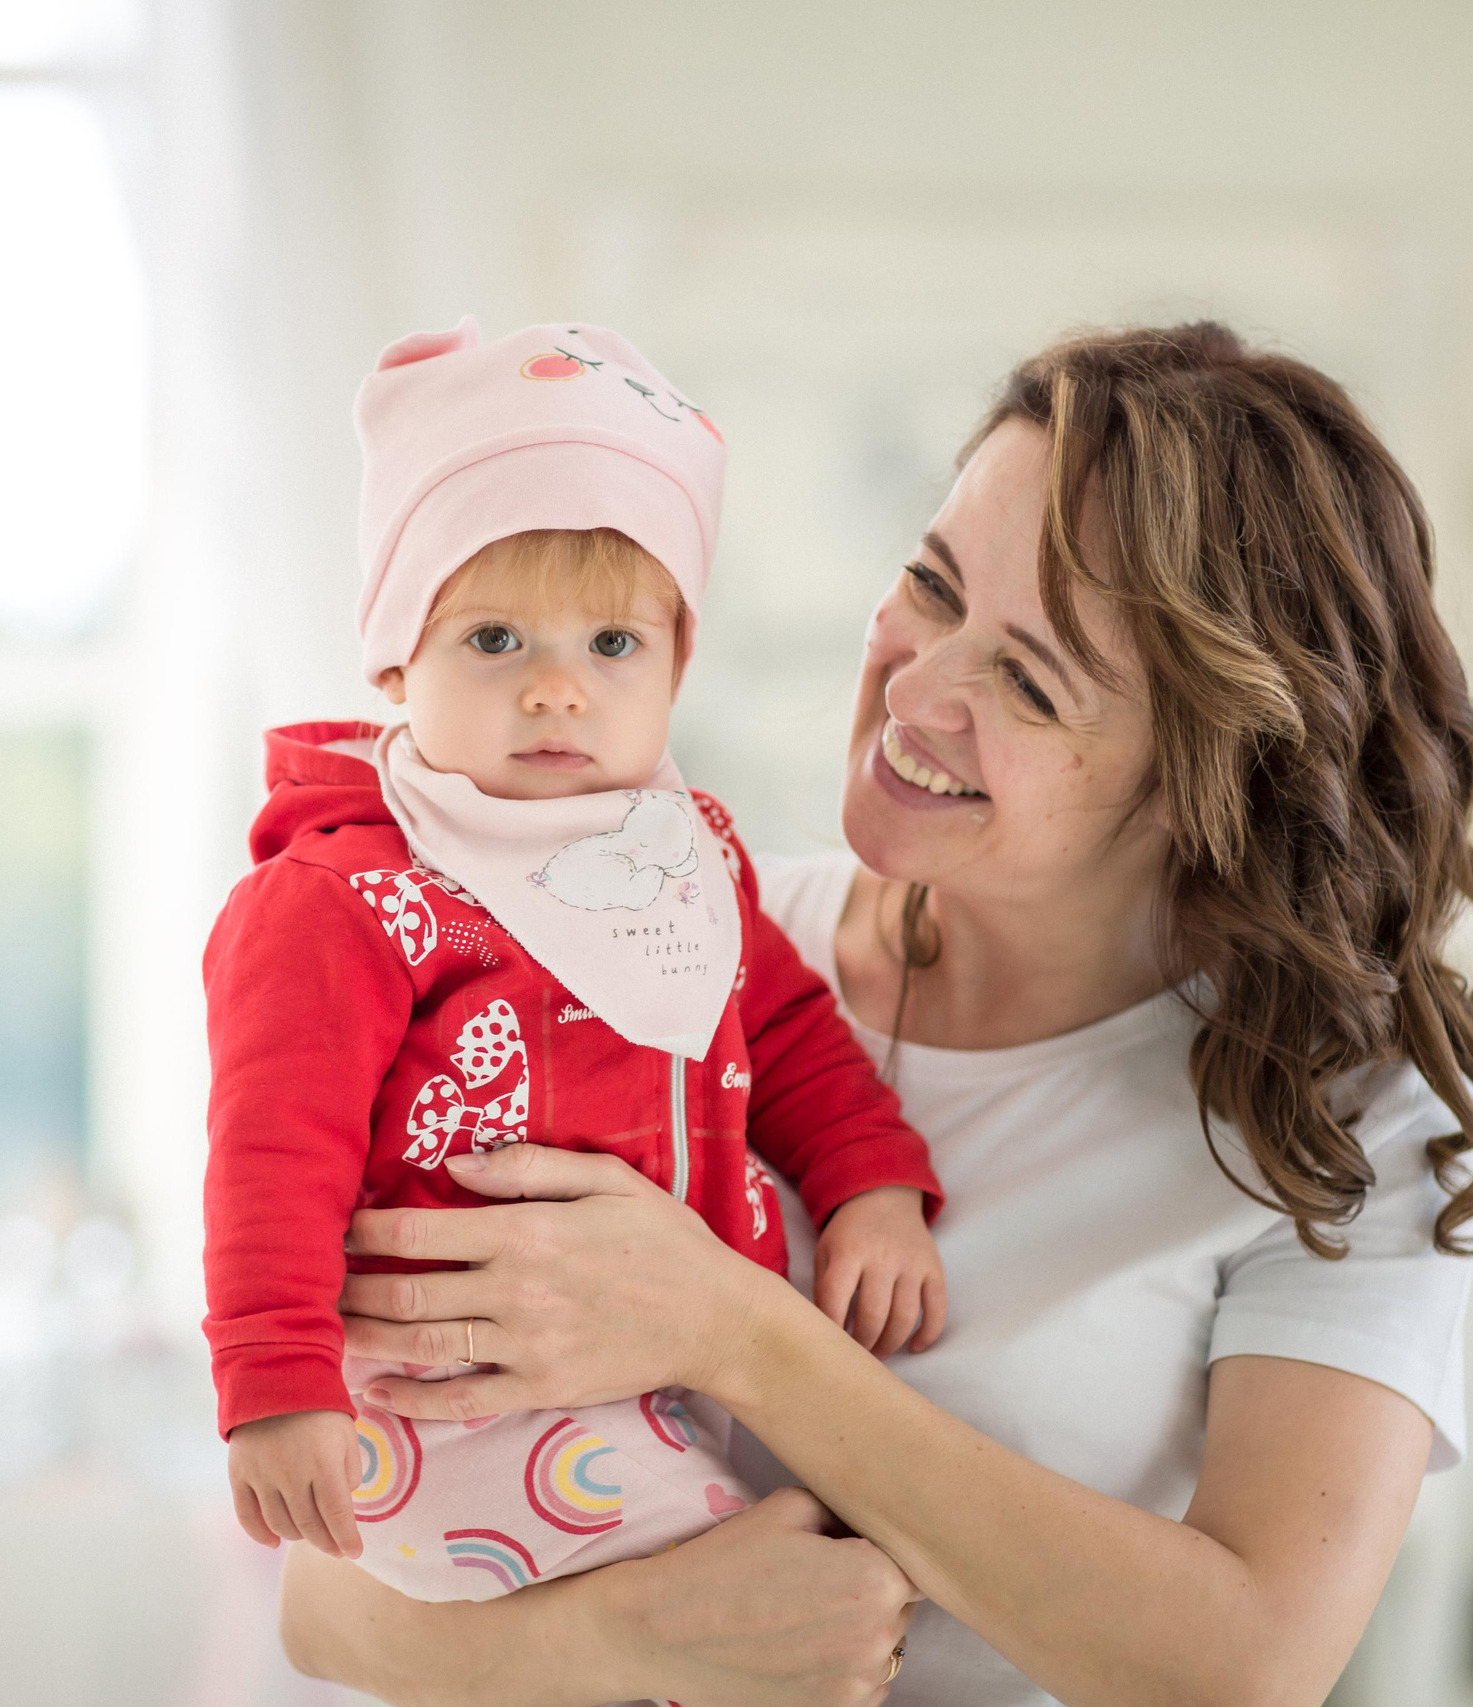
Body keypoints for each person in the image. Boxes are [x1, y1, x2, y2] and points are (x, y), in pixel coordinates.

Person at [278, 322, 1473, 1706]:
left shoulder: (1337, 1123)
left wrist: (739, 1336)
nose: (915, 689)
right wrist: (620, 1642)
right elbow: (326, 1597)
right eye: (933, 587)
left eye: (1033, 681)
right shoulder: (664, 945)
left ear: (1204, 781)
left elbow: (1247, 1664)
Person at [202, 317, 946, 1605]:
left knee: (797, 1585)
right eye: (496, 642)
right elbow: (271, 1148)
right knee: (786, 1600)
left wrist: (874, 1184)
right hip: (442, 1403)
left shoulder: (684, 864)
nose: (558, 692)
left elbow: (788, 1039)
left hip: (646, 1383)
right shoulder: (340, 898)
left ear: (676, 662)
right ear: (395, 654)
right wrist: (272, 1383)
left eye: (611, 647)